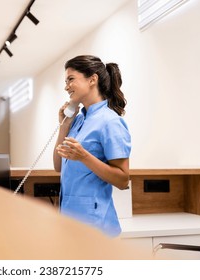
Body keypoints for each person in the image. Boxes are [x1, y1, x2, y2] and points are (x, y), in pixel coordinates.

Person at [53, 55, 131, 237]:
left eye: (71, 79)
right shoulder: (78, 120)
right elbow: (58, 166)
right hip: (70, 222)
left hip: (97, 226)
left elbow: (122, 180)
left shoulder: (110, 122)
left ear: (92, 79)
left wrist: (84, 156)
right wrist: (64, 125)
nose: (66, 87)